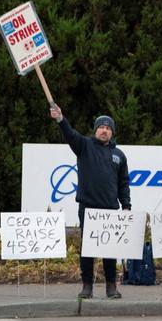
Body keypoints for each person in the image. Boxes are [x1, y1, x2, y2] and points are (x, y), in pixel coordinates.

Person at [50, 105, 131, 300]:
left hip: (110, 209)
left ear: (112, 132)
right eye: (101, 127)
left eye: (108, 128)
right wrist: (61, 119)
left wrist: (126, 205)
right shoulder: (84, 146)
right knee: (87, 249)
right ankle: (87, 286)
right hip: (88, 208)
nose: (105, 130)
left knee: (109, 250)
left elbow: (123, 183)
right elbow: (70, 134)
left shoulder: (119, 155)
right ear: (95, 130)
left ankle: (111, 286)